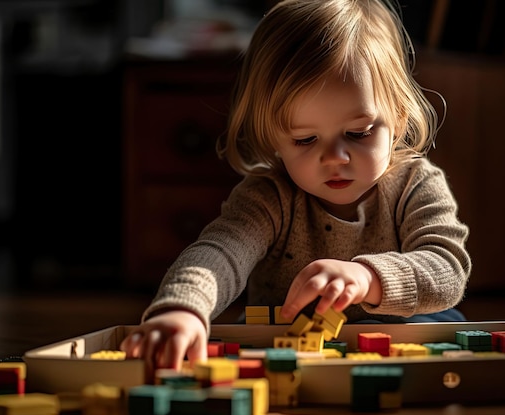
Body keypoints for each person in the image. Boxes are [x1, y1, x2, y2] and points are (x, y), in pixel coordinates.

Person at [121, 0, 471, 377]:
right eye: (305, 140)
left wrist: (368, 278)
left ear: (399, 118)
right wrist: (181, 308)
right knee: (232, 343)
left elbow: (447, 269)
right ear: (275, 138)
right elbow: (220, 253)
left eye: (358, 133)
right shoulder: (269, 196)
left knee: (444, 333)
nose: (335, 157)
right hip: (287, 342)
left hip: (399, 334)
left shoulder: (416, 184)